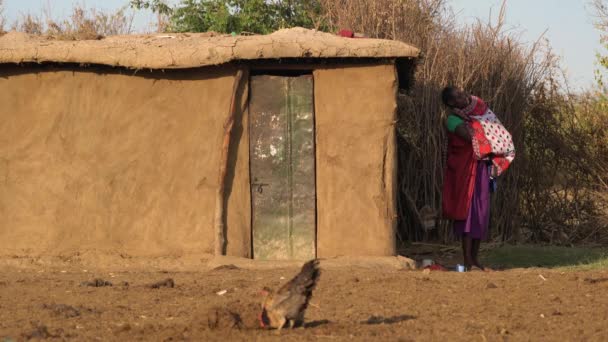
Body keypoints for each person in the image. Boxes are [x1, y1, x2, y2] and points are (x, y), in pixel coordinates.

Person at [441, 86, 515, 271]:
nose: (463, 96)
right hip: (465, 172)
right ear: (451, 103)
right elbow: (470, 137)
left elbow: (487, 133)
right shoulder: (451, 120)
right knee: (467, 214)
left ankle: (475, 259)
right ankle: (467, 260)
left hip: (481, 169)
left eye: (462, 93)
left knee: (481, 213)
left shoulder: (475, 116)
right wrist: (481, 126)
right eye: (458, 96)